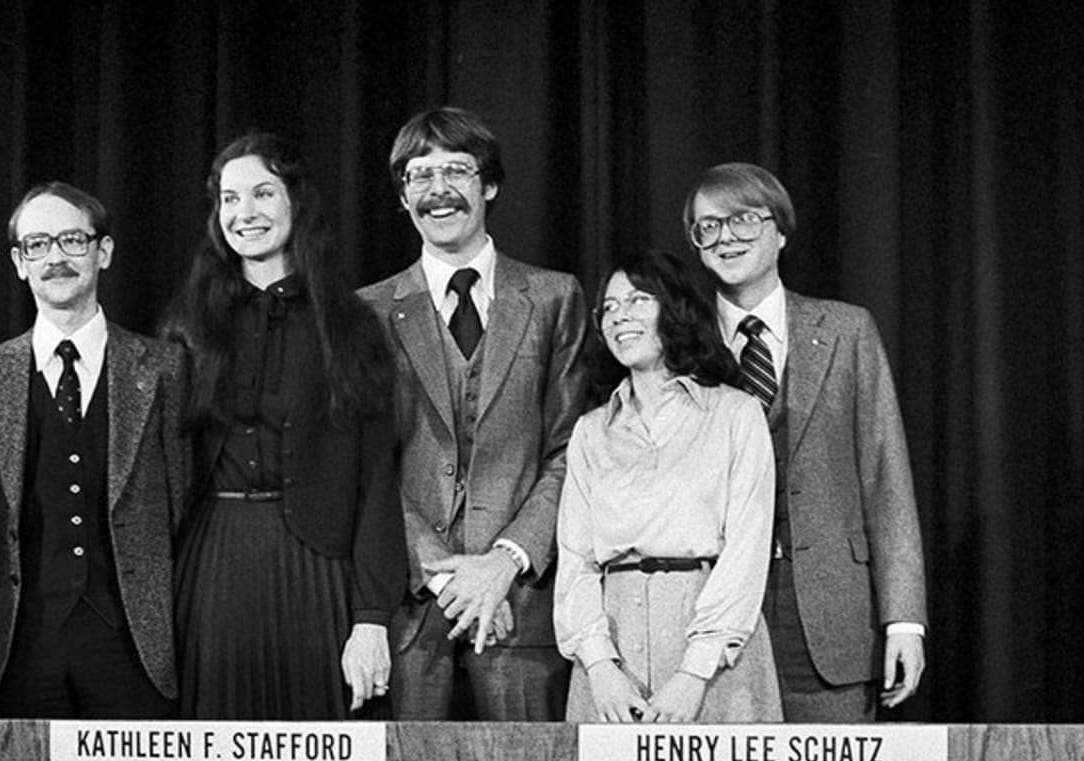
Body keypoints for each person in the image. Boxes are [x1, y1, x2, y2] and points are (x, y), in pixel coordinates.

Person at [358, 106, 590, 722]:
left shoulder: (553, 297)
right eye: (418, 175)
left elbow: (571, 449)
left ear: (488, 185)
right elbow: (366, 465)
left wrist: (503, 561)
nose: (438, 190)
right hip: (412, 607)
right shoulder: (368, 311)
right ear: (402, 197)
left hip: (520, 603)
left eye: (456, 170)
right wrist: (443, 575)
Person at [166, 132, 405, 719]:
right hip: (215, 571)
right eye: (229, 199)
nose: (244, 213)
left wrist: (372, 619)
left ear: (296, 202)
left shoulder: (352, 326)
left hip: (319, 570)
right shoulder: (187, 327)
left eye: (262, 193)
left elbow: (377, 481)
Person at [684, 162, 928, 722]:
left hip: (827, 618)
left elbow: (886, 479)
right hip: (708, 611)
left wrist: (904, 620)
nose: (726, 238)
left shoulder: (846, 331)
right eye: (708, 227)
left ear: (782, 231)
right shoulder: (680, 339)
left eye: (743, 220)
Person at [0, 181, 188, 717]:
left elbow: (185, 497)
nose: (55, 258)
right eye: (37, 245)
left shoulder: (164, 368)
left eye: (71, 240)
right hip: (24, 645)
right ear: (19, 262)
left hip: (134, 646)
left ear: (103, 252)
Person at [556, 250, 780, 723]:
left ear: (673, 309)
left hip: (716, 656)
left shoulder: (736, 415)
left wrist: (694, 674)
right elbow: (575, 560)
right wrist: (600, 667)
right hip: (613, 657)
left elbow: (748, 548)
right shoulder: (592, 431)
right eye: (610, 308)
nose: (620, 317)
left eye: (637, 301)